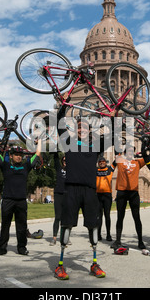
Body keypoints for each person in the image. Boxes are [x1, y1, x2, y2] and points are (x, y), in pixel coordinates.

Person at [53, 106, 114, 280]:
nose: (82, 130)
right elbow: (59, 124)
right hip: (71, 189)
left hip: (89, 190)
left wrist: (111, 118)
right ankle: (60, 265)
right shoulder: (68, 142)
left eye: (85, 128)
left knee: (93, 226)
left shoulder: (96, 145)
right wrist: (63, 107)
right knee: (66, 225)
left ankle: (94, 264)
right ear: (75, 129)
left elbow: (111, 137)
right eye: (79, 127)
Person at [0, 141, 41, 256]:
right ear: (11, 156)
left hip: (21, 201)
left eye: (20, 155)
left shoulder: (26, 166)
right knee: (5, 225)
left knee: (22, 226)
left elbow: (38, 154)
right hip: (7, 200)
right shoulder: (5, 166)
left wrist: (39, 142)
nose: (19, 157)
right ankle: (1, 248)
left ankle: (21, 248)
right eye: (16, 155)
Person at [112, 147, 146, 250]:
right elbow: (116, 151)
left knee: (136, 217)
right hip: (122, 192)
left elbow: (147, 156)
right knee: (120, 217)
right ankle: (118, 240)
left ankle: (140, 241)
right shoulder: (120, 160)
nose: (130, 153)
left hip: (133, 193)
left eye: (132, 151)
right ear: (125, 153)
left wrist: (146, 144)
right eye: (128, 151)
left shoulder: (138, 162)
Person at [96, 156, 114, 241]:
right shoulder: (95, 170)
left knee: (107, 215)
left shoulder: (110, 169)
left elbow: (117, 160)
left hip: (107, 195)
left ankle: (108, 234)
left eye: (103, 161)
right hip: (98, 195)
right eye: (100, 162)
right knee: (99, 216)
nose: (101, 163)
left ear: (106, 163)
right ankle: (98, 234)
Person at [50, 151, 66, 246]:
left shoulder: (72, 170)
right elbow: (55, 158)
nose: (65, 162)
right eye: (63, 160)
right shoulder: (59, 168)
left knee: (66, 218)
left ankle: (65, 237)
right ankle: (54, 237)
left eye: (66, 160)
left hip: (67, 195)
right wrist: (55, 147)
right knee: (58, 217)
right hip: (58, 194)